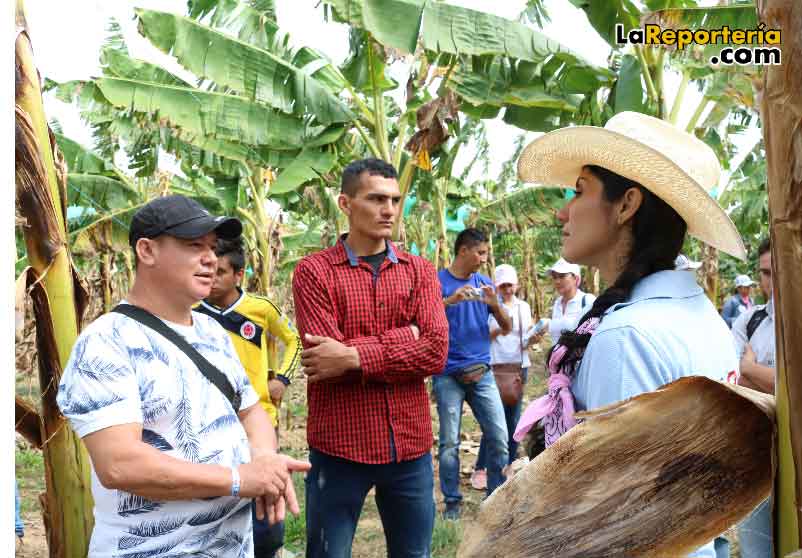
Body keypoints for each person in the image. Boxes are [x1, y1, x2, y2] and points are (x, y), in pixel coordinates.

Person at [514, 111, 746, 558]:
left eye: (580, 191)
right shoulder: (699, 315)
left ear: (626, 205)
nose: (563, 211)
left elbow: (618, 521)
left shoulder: (627, 337)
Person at [57, 195, 309, 557]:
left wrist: (264, 458)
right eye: (194, 246)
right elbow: (119, 463)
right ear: (147, 251)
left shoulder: (211, 331)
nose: (210, 258)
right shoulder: (106, 341)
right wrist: (240, 480)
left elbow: (251, 410)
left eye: (212, 247)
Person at [291, 158, 449, 558]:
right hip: (340, 447)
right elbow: (324, 361)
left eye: (395, 200)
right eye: (376, 199)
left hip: (408, 447)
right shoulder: (314, 273)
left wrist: (354, 354)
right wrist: (403, 339)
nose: (389, 210)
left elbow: (435, 350)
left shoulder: (420, 271)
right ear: (345, 203)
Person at [195, 236, 302, 558]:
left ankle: (270, 547)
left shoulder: (260, 309)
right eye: (209, 271)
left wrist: (282, 378)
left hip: (258, 419)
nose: (213, 280)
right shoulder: (192, 312)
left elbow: (294, 339)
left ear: (239, 275)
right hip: (209, 420)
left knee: (265, 494)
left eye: (221, 273)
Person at [435, 228, 513, 520]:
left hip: (483, 373)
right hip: (447, 375)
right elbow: (422, 318)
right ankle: (452, 504)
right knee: (449, 444)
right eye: (480, 253)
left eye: (486, 253)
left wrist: (494, 305)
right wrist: (449, 302)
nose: (484, 259)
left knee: (499, 437)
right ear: (464, 251)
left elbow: (506, 328)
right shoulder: (438, 282)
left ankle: (495, 498)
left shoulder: (485, 284)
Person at [471, 264, 535, 491]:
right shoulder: (488, 307)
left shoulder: (523, 307)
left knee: (513, 420)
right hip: (495, 366)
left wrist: (534, 338)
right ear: (497, 286)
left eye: (510, 284)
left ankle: (505, 466)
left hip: (518, 366)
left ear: (516, 284)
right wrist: (501, 325)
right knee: (494, 422)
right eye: (503, 285)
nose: (507, 289)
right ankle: (482, 467)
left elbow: (526, 334)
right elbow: (482, 336)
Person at [731, 237, 775, 557]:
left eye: (779, 271)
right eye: (765, 273)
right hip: (756, 446)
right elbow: (734, 380)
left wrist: (752, 369)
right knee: (756, 546)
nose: (772, 282)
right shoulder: (751, 320)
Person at [539, 258, 595, 346]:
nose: (557, 281)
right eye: (554, 277)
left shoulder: (588, 301)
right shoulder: (557, 303)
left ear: (576, 279)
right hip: (557, 358)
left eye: (562, 276)